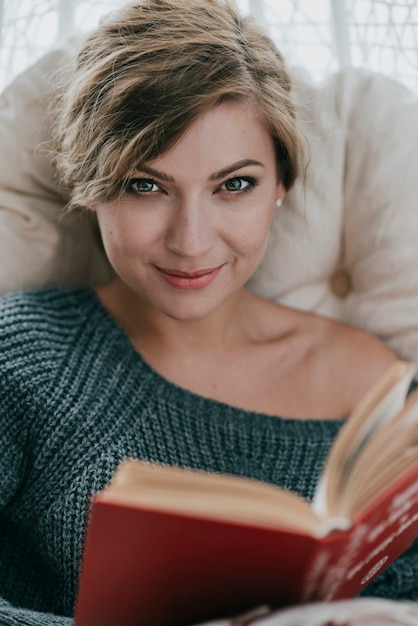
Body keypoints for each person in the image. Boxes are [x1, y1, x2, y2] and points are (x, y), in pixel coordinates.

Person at [0, 1, 417, 625]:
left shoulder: (369, 381)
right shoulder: (26, 355)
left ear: (280, 183)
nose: (192, 241)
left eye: (235, 185)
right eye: (146, 186)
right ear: (92, 188)